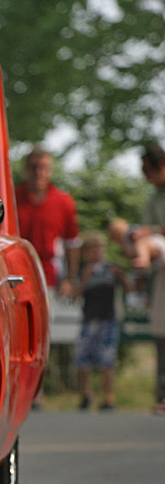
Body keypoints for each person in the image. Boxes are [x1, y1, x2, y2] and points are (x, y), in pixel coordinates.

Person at [73, 233, 131, 411]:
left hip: (109, 320)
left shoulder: (112, 270)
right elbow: (75, 296)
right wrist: (84, 279)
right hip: (89, 320)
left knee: (107, 362)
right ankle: (85, 395)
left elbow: (130, 290)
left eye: (100, 249)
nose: (98, 252)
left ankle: (108, 398)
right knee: (82, 361)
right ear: (86, 253)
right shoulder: (84, 271)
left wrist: (122, 276)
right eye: (93, 249)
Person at [15, 146, 81, 296]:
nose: (39, 173)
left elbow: (72, 243)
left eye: (43, 168)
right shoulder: (11, 198)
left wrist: (70, 279)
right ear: (26, 170)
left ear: (50, 171)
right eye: (34, 167)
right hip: (14, 275)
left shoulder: (63, 201)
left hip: (49, 277)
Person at [134, 143, 165, 415]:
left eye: (147, 171)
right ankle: (162, 393)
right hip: (161, 269)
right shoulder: (155, 196)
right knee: (161, 333)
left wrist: (151, 232)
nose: (145, 177)